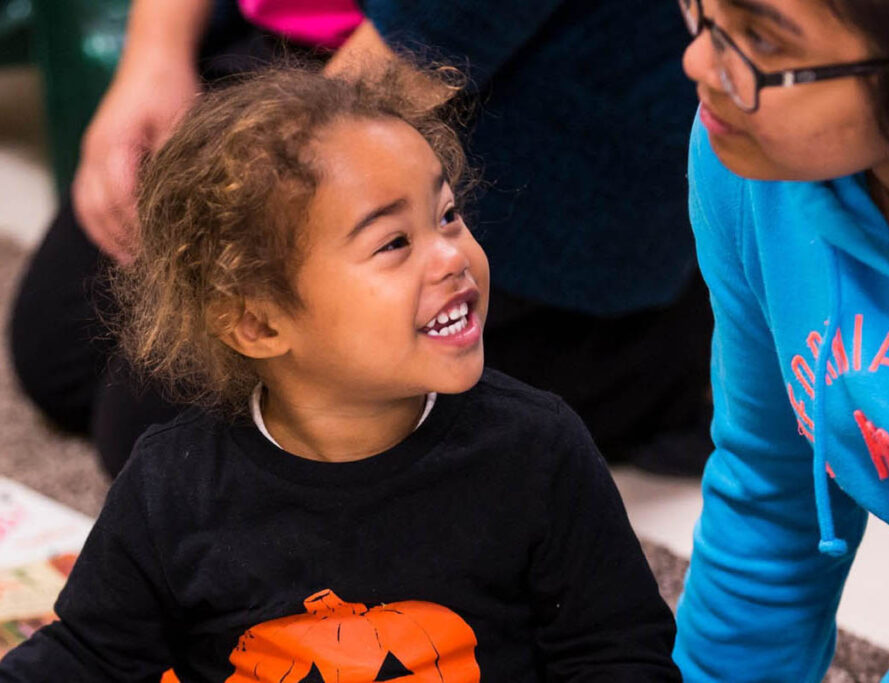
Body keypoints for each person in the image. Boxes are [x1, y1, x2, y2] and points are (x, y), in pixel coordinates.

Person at [0, 67, 681, 681]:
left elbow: (619, 652)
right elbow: (87, 656)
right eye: (394, 242)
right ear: (259, 324)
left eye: (447, 215)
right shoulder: (172, 485)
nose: (451, 256)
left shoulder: (538, 452)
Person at [8, 0, 710, 478]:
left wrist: (256, 207)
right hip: (282, 53)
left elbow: (441, 27)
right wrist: (152, 60)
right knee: (62, 352)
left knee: (168, 434)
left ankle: (674, 344)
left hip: (513, 88)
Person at [670, 0, 889, 679]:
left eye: (761, 41)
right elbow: (769, 490)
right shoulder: (753, 160)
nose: (698, 62)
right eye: (704, 13)